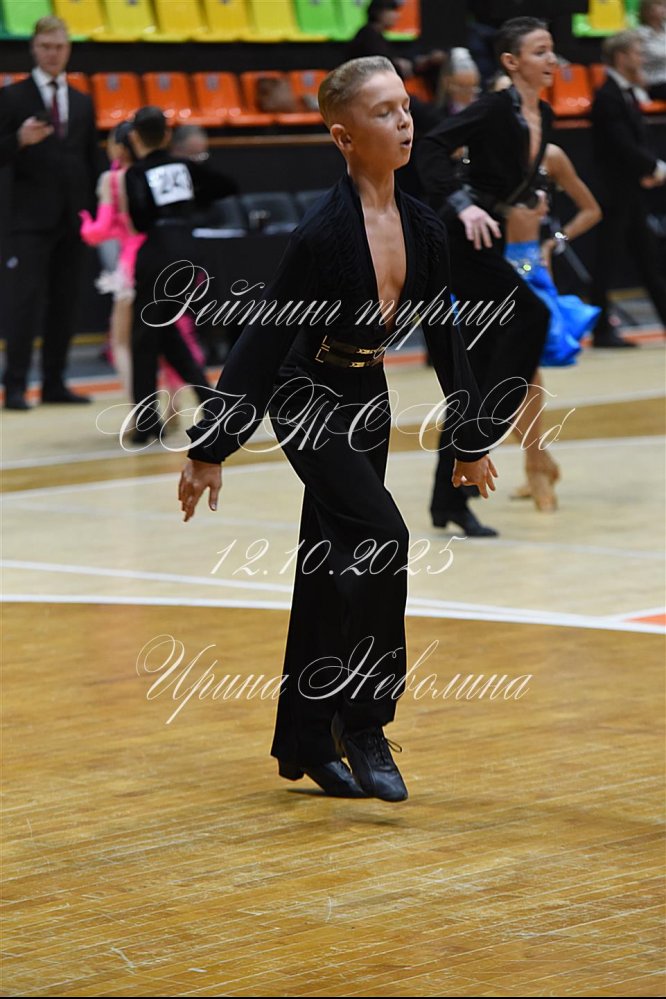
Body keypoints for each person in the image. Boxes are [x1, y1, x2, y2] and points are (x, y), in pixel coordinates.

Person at [177, 57, 498, 802]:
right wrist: (211, 447)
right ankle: (364, 722)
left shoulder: (425, 226)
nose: (404, 121)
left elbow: (447, 334)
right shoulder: (320, 233)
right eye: (383, 112)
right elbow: (262, 341)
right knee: (383, 539)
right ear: (343, 136)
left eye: (405, 107)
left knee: (327, 566)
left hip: (367, 393)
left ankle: (304, 741)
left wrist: (471, 438)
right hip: (306, 393)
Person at [417, 16, 556, 536]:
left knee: (472, 375)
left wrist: (529, 197)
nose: (550, 59)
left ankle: (449, 501)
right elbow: (431, 147)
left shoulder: (545, 114)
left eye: (551, 49)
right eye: (539, 51)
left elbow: (515, 177)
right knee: (533, 315)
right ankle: (479, 440)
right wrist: (462, 203)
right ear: (511, 62)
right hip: (462, 238)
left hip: (491, 238)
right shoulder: (495, 107)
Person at [0, 15, 99, 410]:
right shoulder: (12, 97)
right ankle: (16, 386)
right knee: (23, 304)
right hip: (28, 220)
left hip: (73, 218)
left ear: (68, 49)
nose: (52, 54)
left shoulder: (82, 100)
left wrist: (94, 214)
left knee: (65, 303)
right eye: (45, 47)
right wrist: (18, 139)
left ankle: (55, 383)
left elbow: (91, 159)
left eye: (58, 47)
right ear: (33, 48)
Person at [123, 106, 238, 444]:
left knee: (143, 338)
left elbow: (140, 219)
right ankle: (210, 402)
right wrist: (189, 202)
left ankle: (147, 422)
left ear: (135, 137)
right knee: (166, 332)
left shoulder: (137, 172)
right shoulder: (183, 166)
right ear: (167, 134)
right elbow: (226, 186)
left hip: (158, 252)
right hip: (188, 251)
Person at [503, 142, 602, 510]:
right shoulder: (479, 148)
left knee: (525, 370)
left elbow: (591, 209)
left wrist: (553, 243)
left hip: (529, 270)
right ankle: (541, 459)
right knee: (491, 379)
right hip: (485, 268)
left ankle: (535, 466)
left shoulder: (551, 155)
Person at [590, 30, 666, 347]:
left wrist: (646, 170)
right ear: (621, 57)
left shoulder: (626, 93)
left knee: (648, 260)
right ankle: (601, 329)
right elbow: (621, 146)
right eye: (637, 52)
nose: (642, 58)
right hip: (613, 194)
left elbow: (634, 142)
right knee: (607, 262)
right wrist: (655, 168)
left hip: (629, 192)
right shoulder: (607, 96)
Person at [637, 0, 666, 101]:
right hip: (654, 82)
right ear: (647, 10)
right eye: (660, 5)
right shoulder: (639, 35)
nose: (664, 8)